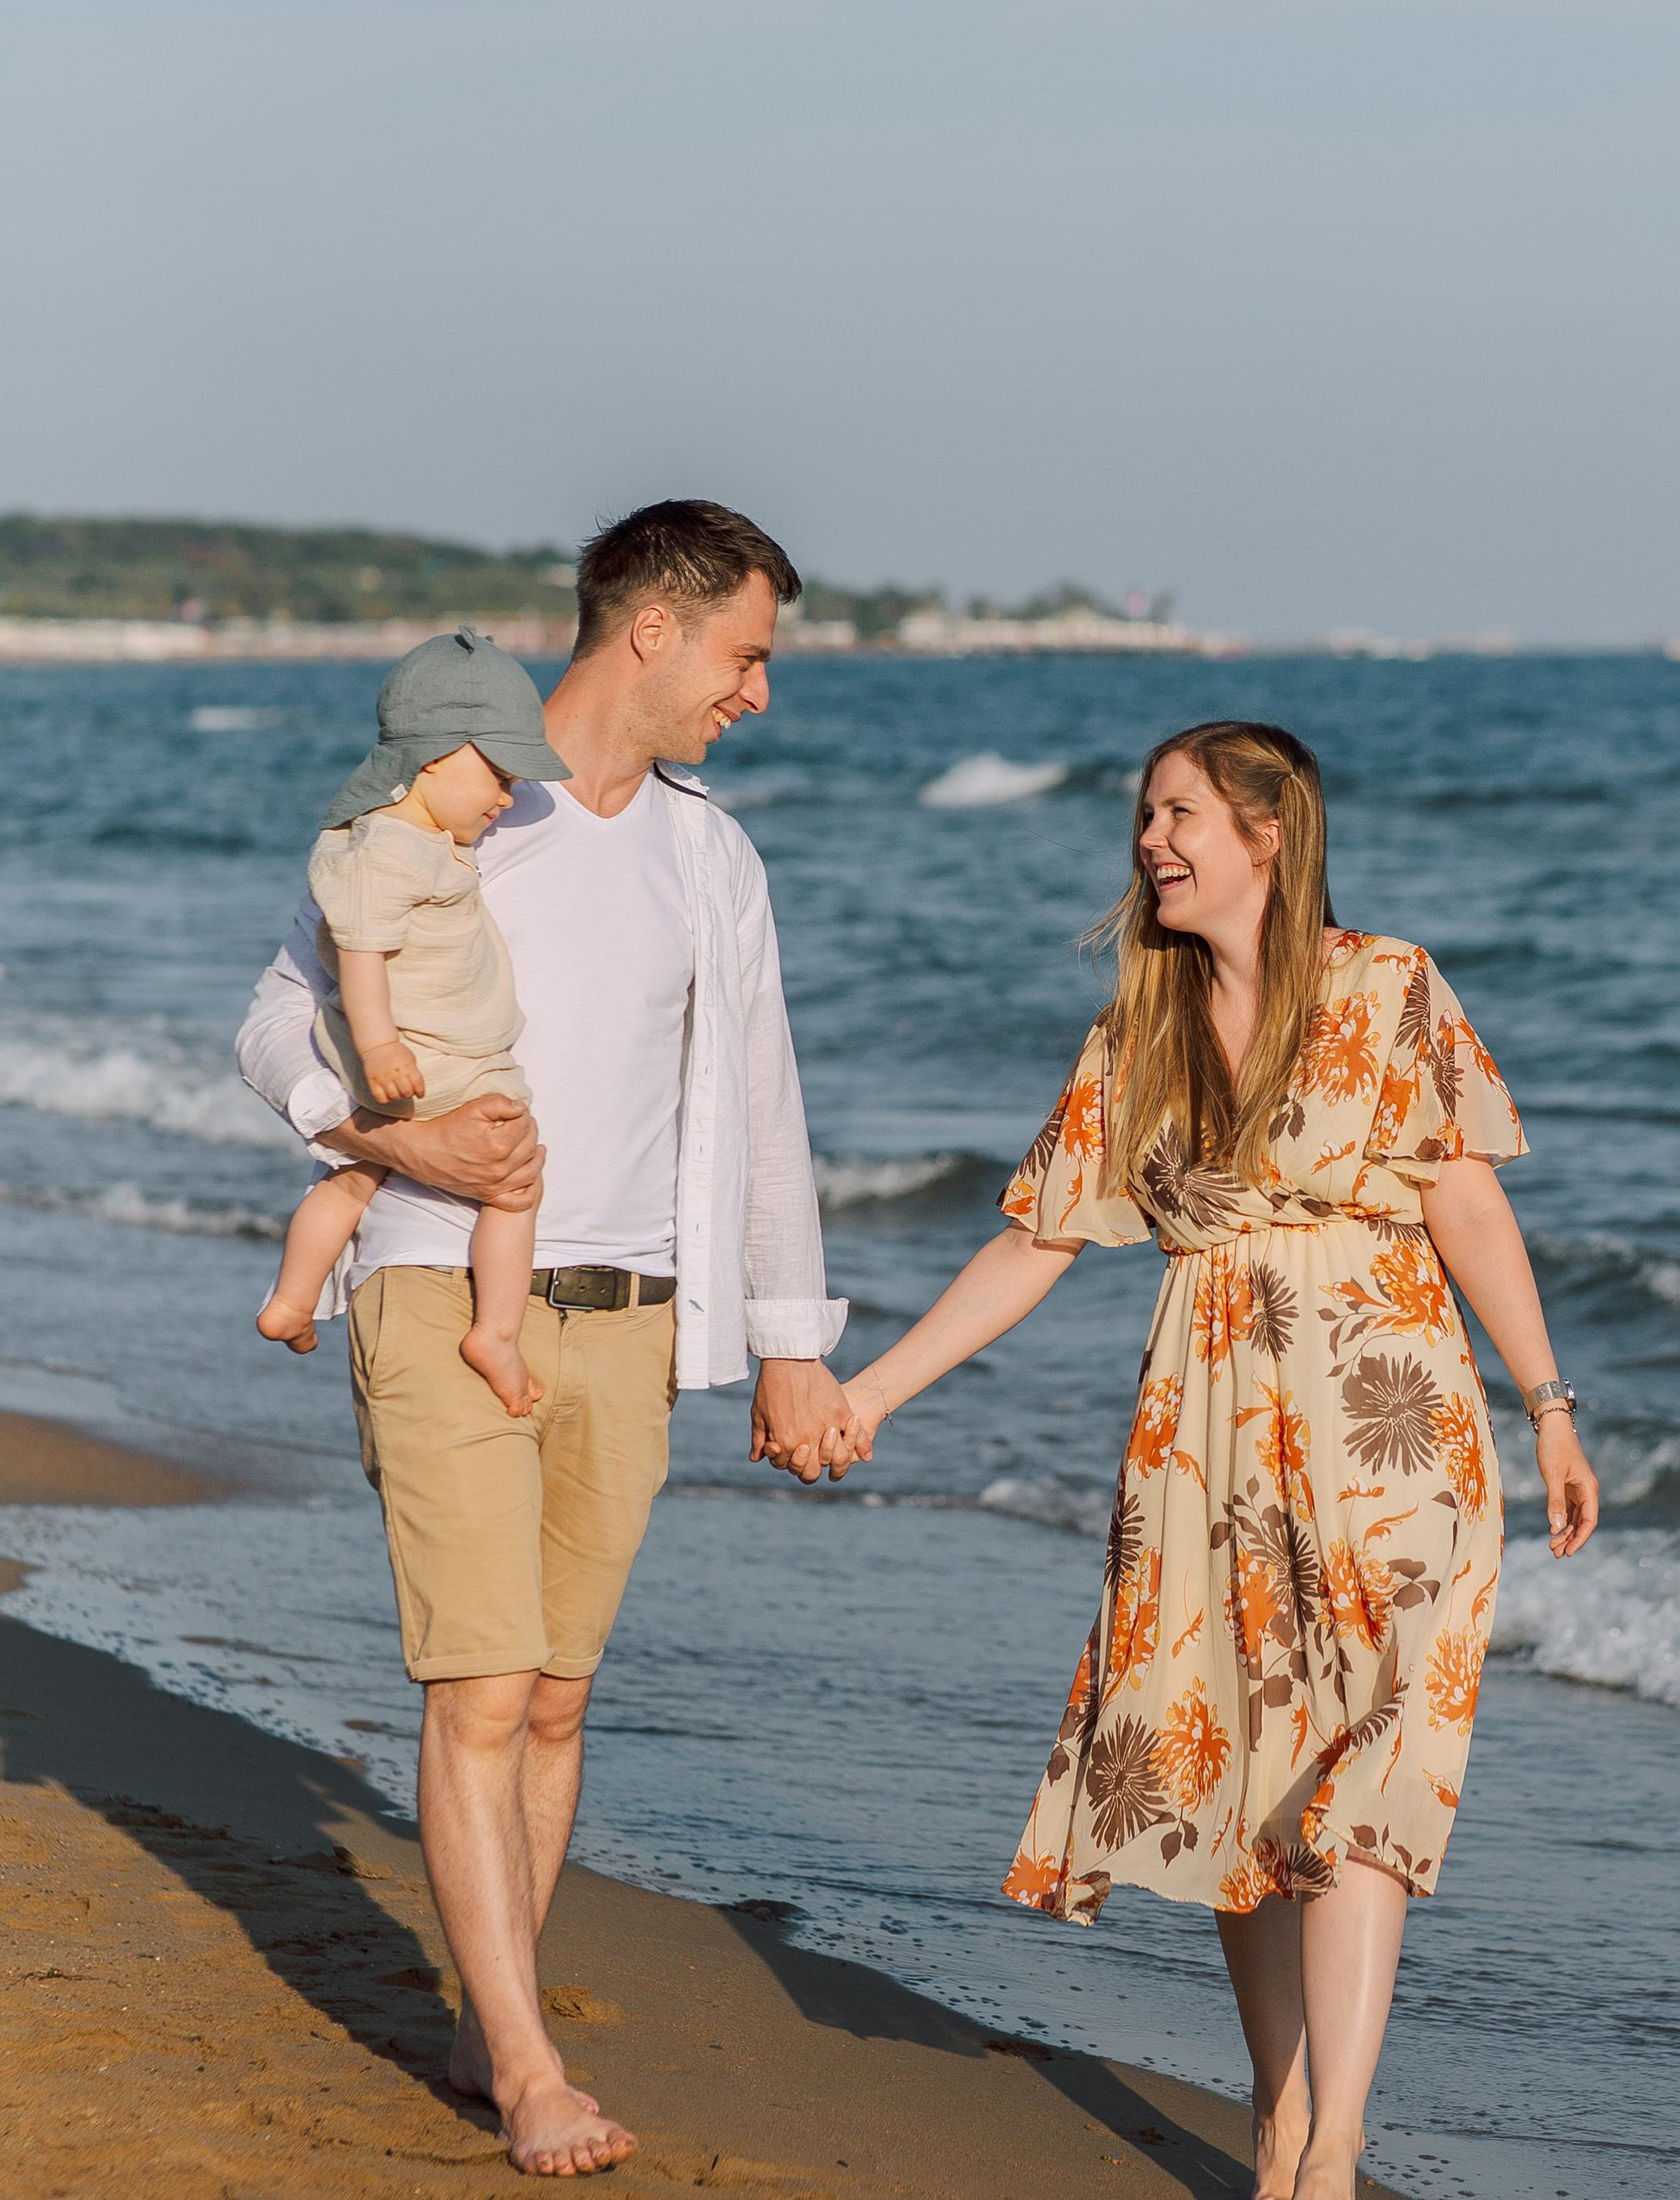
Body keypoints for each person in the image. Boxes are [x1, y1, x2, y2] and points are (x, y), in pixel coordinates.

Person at [836, 721, 1598, 2200]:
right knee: (1253, 1782)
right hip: (1207, 1439)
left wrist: (1551, 1404)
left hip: (1398, 1429)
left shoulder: (1389, 987)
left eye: (1180, 812)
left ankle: (1332, 2148)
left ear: (1268, 835)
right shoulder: (1143, 1030)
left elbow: (1470, 1209)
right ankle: (1277, 2116)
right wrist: (873, 1392)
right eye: (1143, 815)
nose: (1150, 840)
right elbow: (1036, 1239)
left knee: (1374, 1780)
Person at [235, 501, 864, 2178]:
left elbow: (767, 1097)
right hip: (446, 1288)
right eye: (744, 652)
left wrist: (790, 1335)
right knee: (483, 1682)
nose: (755, 691)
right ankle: (519, 2063)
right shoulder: (459, 806)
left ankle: (477, 2007)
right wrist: (374, 1137)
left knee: (560, 1696)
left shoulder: (708, 850)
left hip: (634, 1325)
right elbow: (275, 1013)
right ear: (647, 629)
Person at [255, 628, 571, 1415]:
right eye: (498, 774)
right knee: (515, 1181)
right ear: (435, 755)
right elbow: (360, 946)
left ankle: (292, 1300)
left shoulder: (410, 835)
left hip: (398, 1060)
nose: (506, 797)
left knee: (354, 1175)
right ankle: (495, 1331)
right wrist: (380, 1044)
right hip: (432, 1057)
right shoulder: (392, 845)